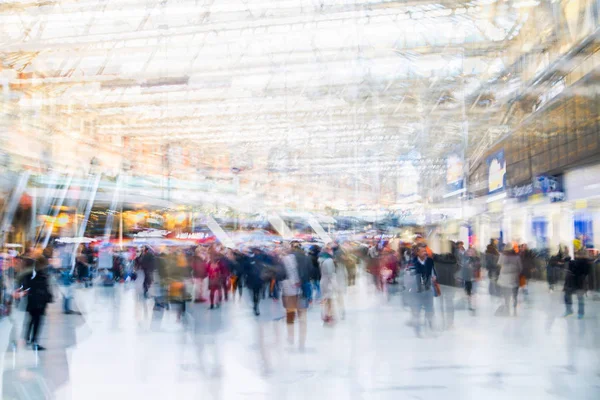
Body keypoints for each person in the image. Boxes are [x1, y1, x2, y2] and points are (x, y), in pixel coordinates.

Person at [19, 253, 53, 350]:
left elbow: (25, 286)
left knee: (31, 320)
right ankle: (34, 341)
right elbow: (43, 287)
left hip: (32, 301)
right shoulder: (40, 274)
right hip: (39, 302)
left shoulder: (31, 273)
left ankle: (27, 339)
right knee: (37, 321)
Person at [281, 244, 308, 350]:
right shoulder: (304, 258)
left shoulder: (285, 260)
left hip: (290, 290)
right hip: (302, 289)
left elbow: (285, 274)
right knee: (302, 317)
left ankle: (291, 336)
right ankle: (302, 341)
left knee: (290, 314)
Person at [408, 243, 436, 337]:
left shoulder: (430, 261)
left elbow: (434, 272)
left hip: (428, 290)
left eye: (425, 251)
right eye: (423, 251)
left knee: (429, 310)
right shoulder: (412, 262)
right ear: (417, 252)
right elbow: (409, 277)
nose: (425, 252)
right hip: (417, 291)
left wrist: (434, 277)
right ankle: (418, 331)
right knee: (417, 311)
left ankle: (430, 328)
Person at [563, 249, 591, 319]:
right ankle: (569, 310)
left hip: (580, 282)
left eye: (583, 254)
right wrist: (568, 259)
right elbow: (570, 265)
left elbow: (584, 271)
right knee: (567, 295)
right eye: (580, 254)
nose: (581, 255)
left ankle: (580, 313)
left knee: (580, 298)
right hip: (571, 282)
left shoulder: (586, 263)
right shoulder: (575, 261)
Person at [497, 244, 522, 316]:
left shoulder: (502, 255)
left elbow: (499, 264)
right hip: (514, 277)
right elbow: (520, 267)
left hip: (504, 278)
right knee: (515, 295)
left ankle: (507, 309)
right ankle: (514, 310)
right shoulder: (517, 256)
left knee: (506, 295)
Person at [318, 245, 337, 325]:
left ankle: (325, 314)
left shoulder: (321, 259)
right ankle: (329, 315)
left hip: (323, 281)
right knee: (329, 299)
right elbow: (330, 273)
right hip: (328, 282)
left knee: (325, 299)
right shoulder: (329, 260)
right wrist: (334, 284)